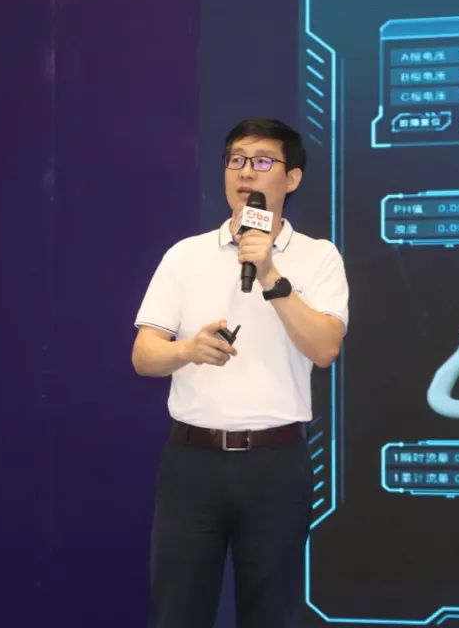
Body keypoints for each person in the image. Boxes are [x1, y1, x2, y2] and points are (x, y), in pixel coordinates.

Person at [132, 117, 349, 628]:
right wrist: (187, 350)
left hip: (275, 464)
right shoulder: (185, 256)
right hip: (193, 463)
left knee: (271, 614)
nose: (246, 172)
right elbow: (144, 356)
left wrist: (271, 275)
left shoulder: (318, 257)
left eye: (262, 161)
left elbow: (324, 348)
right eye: (236, 160)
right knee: (176, 612)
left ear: (291, 178)